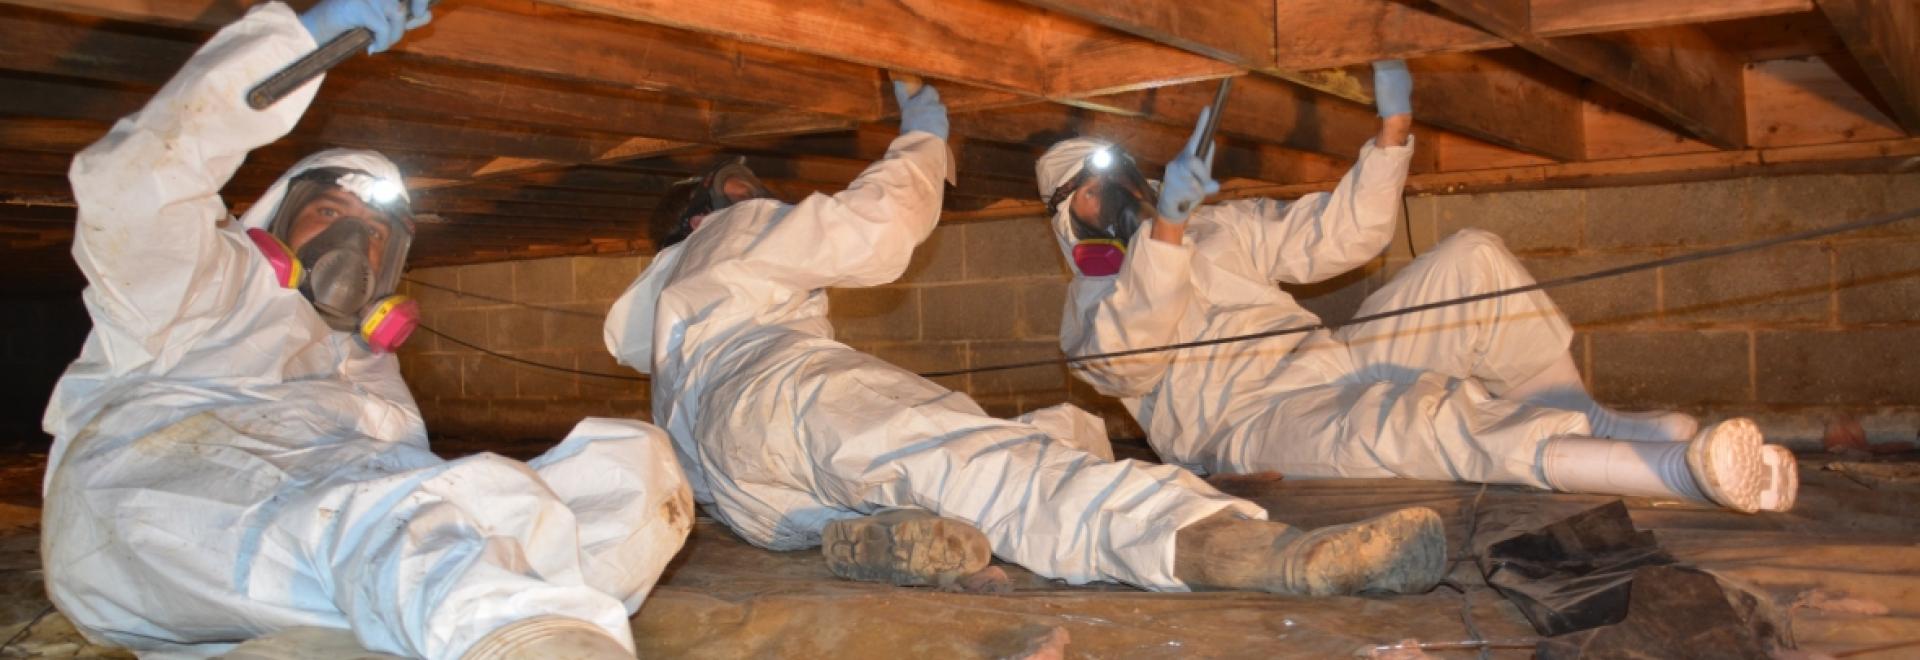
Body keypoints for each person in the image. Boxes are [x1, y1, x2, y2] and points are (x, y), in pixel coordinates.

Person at [603, 80, 1450, 601]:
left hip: (741, 493)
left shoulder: (675, 337)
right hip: (780, 393)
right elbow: (873, 230)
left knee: (1046, 434)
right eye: (744, 188)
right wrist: (924, 140)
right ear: (701, 215)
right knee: (989, 465)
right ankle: (1237, 549)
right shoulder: (730, 236)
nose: (763, 197)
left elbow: (1338, 234)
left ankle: (866, 538)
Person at [40, 2, 692, 658]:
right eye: (330, 210)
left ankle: (475, 616)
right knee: (403, 515)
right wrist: (290, 49)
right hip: (159, 510)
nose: (355, 240)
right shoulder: (205, 286)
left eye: (375, 233)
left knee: (634, 468)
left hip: (321, 538)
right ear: (279, 219)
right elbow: (134, 181)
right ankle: (519, 638)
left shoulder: (370, 366)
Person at [1041, 61, 1799, 514]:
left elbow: (1341, 235)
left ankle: (1593, 420)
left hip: (1335, 359)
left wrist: (1392, 131)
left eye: (1113, 181)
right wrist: (1165, 231)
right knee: (1412, 417)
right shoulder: (1089, 306)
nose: (1111, 200)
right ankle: (1674, 473)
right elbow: (1133, 353)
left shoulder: (1217, 229)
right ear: (1068, 220)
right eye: (1088, 194)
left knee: (1472, 259)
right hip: (1248, 428)